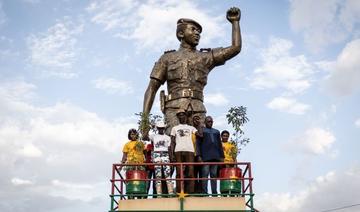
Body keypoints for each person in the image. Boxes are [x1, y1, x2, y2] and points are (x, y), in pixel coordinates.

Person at [142, 7, 242, 136]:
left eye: (199, 31)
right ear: (181, 34)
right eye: (193, 29)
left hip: (198, 109)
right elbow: (151, 88)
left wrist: (235, 22)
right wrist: (144, 122)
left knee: (201, 147)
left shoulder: (205, 57)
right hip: (174, 108)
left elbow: (235, 48)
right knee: (175, 144)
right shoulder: (167, 58)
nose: (197, 33)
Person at [170, 109, 197, 194]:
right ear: (178, 117)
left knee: (191, 171)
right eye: (179, 115)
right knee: (179, 172)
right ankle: (179, 192)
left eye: (183, 114)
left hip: (190, 150)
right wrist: (172, 154)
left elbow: (200, 135)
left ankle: (190, 192)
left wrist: (198, 123)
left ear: (186, 116)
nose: (181, 116)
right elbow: (172, 142)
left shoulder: (191, 128)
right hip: (178, 150)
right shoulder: (174, 128)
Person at [196, 116, 224, 196]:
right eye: (208, 121)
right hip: (205, 158)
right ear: (205, 122)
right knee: (205, 175)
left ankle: (214, 193)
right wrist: (199, 156)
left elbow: (220, 145)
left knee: (214, 175)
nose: (210, 123)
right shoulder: (202, 131)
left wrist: (222, 156)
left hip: (215, 157)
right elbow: (198, 144)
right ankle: (205, 192)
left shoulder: (216, 132)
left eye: (211, 121)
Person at [150, 121, 174, 197]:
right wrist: (151, 126)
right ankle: (159, 194)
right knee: (158, 175)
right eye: (159, 128)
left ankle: (170, 193)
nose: (161, 129)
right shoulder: (153, 136)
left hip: (165, 154)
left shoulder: (168, 137)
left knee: (167, 174)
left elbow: (170, 149)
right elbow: (144, 136)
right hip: (156, 154)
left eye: (162, 128)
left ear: (164, 128)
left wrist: (171, 159)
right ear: (157, 128)